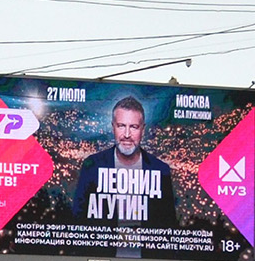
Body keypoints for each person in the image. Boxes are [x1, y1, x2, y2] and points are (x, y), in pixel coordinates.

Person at [72, 95, 178, 229]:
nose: (127, 134)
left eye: (134, 127)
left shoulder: (161, 170)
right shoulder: (92, 166)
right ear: (113, 127)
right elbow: (78, 221)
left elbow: (168, 226)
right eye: (121, 126)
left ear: (143, 130)